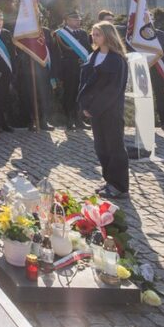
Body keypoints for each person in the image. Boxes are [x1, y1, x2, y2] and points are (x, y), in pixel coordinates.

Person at [78, 21, 130, 199]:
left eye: (98, 33)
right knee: (101, 147)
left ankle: (119, 185)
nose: (94, 36)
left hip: (110, 110)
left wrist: (94, 108)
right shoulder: (94, 55)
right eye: (92, 33)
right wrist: (85, 105)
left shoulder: (117, 59)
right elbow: (85, 82)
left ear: (108, 35)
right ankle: (109, 180)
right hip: (94, 110)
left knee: (115, 148)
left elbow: (113, 89)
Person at [53, 11, 91, 130]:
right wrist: (58, 73)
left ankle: (79, 120)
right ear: (67, 20)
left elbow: (88, 50)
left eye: (79, 19)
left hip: (82, 68)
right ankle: (69, 119)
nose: (78, 21)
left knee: (80, 94)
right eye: (75, 20)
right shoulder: (60, 34)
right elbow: (57, 54)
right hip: (68, 69)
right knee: (69, 94)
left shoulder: (83, 33)